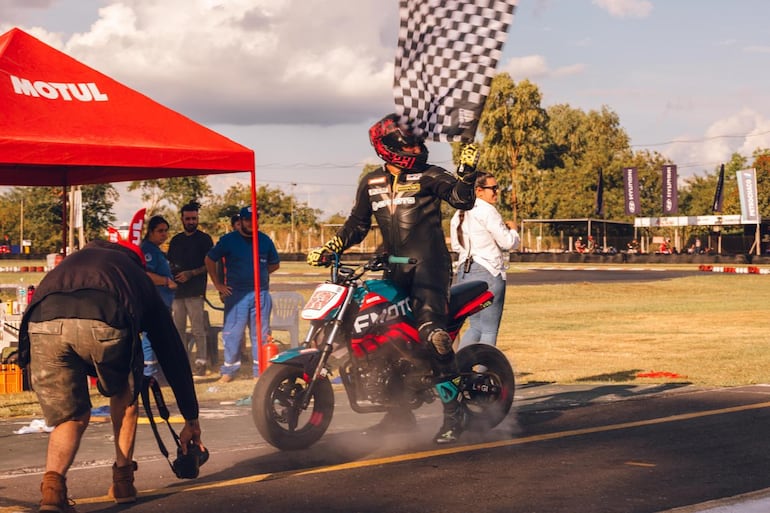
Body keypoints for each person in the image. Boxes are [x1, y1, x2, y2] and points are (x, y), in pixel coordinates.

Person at [306, 113, 479, 444]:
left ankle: (456, 414)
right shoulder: (371, 183)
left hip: (430, 269)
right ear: (387, 148)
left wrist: (467, 174)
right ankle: (399, 416)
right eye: (410, 143)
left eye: (418, 141)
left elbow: (462, 198)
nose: (418, 147)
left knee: (435, 337)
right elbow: (356, 225)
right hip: (393, 270)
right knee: (378, 339)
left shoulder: (429, 175)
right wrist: (330, 248)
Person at [18, 239, 203, 513]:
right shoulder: (135, 274)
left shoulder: (72, 261)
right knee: (125, 396)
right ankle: (123, 482)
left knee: (71, 416)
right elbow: (171, 352)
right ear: (137, 261)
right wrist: (191, 417)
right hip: (106, 316)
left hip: (43, 322)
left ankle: (52, 493)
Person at [205, 206, 280, 383]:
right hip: (236, 294)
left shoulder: (265, 240)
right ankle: (229, 370)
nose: (251, 224)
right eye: (247, 220)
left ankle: (259, 370)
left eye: (254, 220)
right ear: (241, 221)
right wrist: (218, 284)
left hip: (260, 294)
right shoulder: (229, 240)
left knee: (260, 334)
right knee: (233, 333)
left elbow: (274, 264)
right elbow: (209, 259)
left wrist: (260, 273)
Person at [450, 172, 519, 348]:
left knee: (475, 327)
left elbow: (457, 247)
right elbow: (508, 242)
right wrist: (513, 231)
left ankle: (461, 369)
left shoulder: (458, 213)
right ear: (479, 191)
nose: (497, 192)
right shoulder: (487, 210)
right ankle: (484, 372)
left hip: (465, 271)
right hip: (488, 270)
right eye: (493, 188)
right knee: (489, 330)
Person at [168, 202, 214, 378]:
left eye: (194, 218)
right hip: (177, 294)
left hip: (195, 292)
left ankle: (201, 362)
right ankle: (182, 363)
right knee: (178, 330)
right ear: (182, 219)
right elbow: (170, 263)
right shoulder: (176, 240)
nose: (191, 221)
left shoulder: (205, 239)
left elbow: (210, 264)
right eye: (187, 218)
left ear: (198, 219)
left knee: (198, 329)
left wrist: (191, 273)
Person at [140, 216, 177, 380]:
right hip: (154, 301)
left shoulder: (156, 250)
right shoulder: (147, 250)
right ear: (151, 232)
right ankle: (149, 372)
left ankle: (157, 371)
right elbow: (145, 274)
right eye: (160, 231)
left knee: (160, 337)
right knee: (151, 337)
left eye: (166, 231)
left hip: (164, 301)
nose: (164, 234)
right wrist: (166, 281)